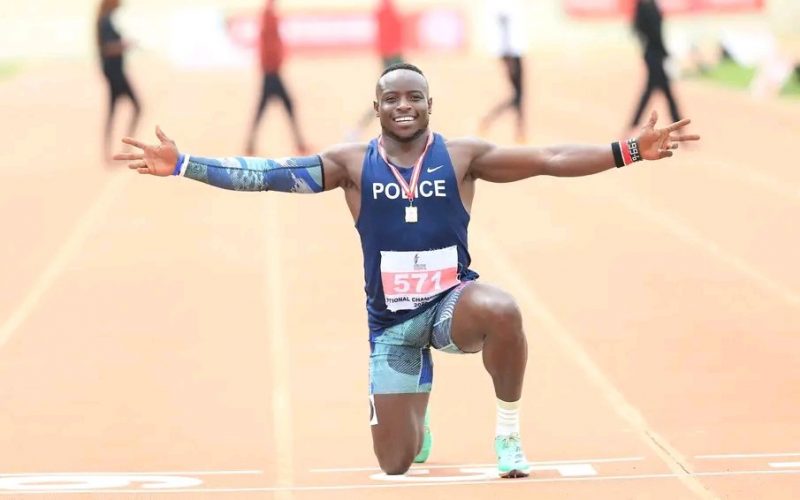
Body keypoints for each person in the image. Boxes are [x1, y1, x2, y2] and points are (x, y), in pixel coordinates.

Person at [115, 62, 699, 478]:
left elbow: (548, 159)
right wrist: (183, 164)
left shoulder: (464, 155)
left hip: (452, 307)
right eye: (391, 98)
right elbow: (267, 172)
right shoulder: (349, 164)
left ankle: (509, 433)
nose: (402, 106)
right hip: (392, 328)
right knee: (396, 463)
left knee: (501, 308)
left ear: (428, 106)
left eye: (413, 97)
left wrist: (629, 150)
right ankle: (416, 421)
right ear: (377, 108)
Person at [245, 0, 308, 156]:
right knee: (286, 106)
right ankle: (299, 144)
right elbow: (270, 45)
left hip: (271, 70)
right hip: (272, 72)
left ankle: (250, 145)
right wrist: (273, 63)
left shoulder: (268, 15)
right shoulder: (269, 17)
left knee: (266, 109)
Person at [345, 0, 405, 142]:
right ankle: (360, 129)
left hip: (393, 57)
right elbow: (388, 38)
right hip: (392, 58)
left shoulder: (386, 7)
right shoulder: (386, 9)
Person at [96, 0, 141, 163]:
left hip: (115, 71)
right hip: (115, 72)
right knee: (133, 107)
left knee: (114, 111)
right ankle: (120, 149)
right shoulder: (105, 21)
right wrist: (125, 44)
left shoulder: (105, 20)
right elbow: (108, 48)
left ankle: (114, 150)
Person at [629, 0, 682, 130]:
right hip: (653, 55)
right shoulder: (644, 7)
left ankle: (634, 124)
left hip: (655, 53)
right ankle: (678, 125)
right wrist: (663, 51)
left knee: (655, 91)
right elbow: (652, 33)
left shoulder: (650, 5)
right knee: (663, 91)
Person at [478, 0, 527, 143]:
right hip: (511, 53)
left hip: (513, 51)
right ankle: (490, 119)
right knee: (518, 94)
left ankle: (520, 129)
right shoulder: (503, 5)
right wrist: (509, 56)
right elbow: (505, 30)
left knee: (519, 94)